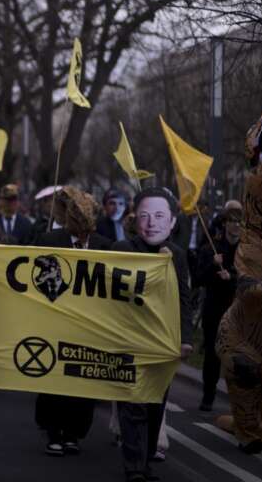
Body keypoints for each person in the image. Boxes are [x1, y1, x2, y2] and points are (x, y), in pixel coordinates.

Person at [112, 187, 193, 482]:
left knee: (155, 404)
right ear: (135, 220)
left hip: (162, 343)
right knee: (132, 403)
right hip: (128, 340)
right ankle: (133, 465)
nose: (151, 223)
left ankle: (144, 459)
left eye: (159, 216)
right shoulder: (122, 250)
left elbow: (184, 298)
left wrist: (186, 338)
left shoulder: (178, 255)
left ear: (172, 222)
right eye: (144, 216)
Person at [33, 186, 111, 457]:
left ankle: (73, 434)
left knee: (82, 379)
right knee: (55, 378)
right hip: (55, 321)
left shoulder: (104, 246)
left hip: (89, 326)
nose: (82, 231)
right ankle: (53, 431)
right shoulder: (49, 240)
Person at [196, 200, 242, 411]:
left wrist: (231, 277)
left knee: (238, 357)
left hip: (240, 311)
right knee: (213, 355)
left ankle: (240, 402)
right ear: (224, 223)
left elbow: (255, 277)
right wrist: (213, 267)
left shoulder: (248, 251)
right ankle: (208, 395)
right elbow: (199, 278)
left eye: (240, 222)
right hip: (215, 308)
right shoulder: (212, 248)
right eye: (232, 221)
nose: (236, 226)